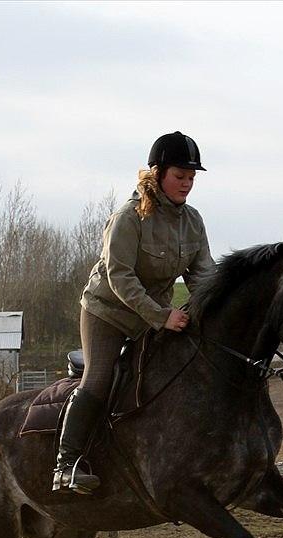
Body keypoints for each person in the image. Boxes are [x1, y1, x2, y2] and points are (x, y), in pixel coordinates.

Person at [53, 131, 215, 494]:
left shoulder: (193, 221)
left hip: (154, 315)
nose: (187, 184)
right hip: (107, 312)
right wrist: (162, 316)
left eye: (192, 178)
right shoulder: (128, 217)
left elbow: (204, 276)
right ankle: (66, 464)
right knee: (99, 377)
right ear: (157, 174)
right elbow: (119, 277)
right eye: (180, 176)